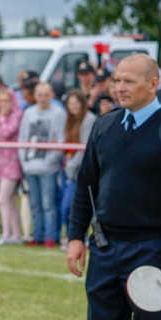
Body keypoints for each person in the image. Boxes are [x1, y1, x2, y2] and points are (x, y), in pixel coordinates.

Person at [66, 54, 161, 320]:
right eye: (117, 80)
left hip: (152, 253)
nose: (120, 88)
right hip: (105, 249)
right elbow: (85, 185)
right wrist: (75, 237)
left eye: (129, 81)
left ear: (152, 84)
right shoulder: (104, 126)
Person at [19, 82, 66, 248]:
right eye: (40, 95)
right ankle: (36, 235)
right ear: (35, 96)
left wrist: (49, 162)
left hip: (48, 168)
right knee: (35, 204)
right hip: (30, 166)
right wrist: (24, 163)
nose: (43, 98)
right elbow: (22, 138)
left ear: (52, 95)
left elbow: (60, 140)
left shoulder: (59, 114)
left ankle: (50, 236)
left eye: (46, 95)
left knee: (48, 204)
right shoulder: (28, 113)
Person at [59, 90, 96, 247]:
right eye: (70, 103)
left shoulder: (89, 120)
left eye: (76, 103)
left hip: (80, 172)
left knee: (71, 206)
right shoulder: (67, 120)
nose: (73, 106)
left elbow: (84, 149)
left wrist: (70, 166)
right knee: (65, 208)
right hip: (67, 169)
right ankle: (70, 236)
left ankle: (78, 238)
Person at [0, 87, 24, 245]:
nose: (3, 104)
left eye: (5, 101)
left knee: (2, 199)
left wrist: (3, 118)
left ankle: (6, 233)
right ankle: (16, 234)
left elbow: (5, 133)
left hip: (12, 162)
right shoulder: (0, 116)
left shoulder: (16, 115)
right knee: (9, 200)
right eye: (0, 101)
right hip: (0, 162)